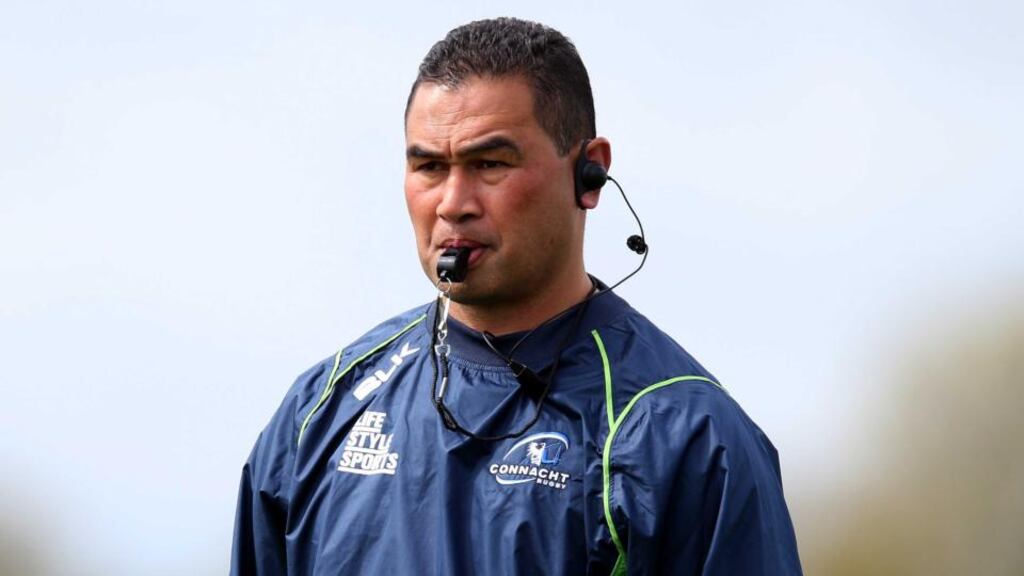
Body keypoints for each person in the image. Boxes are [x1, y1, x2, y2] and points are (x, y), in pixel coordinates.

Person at [232, 17, 803, 575]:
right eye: (429, 166)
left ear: (590, 174)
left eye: (490, 163)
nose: (453, 202)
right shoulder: (319, 412)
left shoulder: (685, 436)